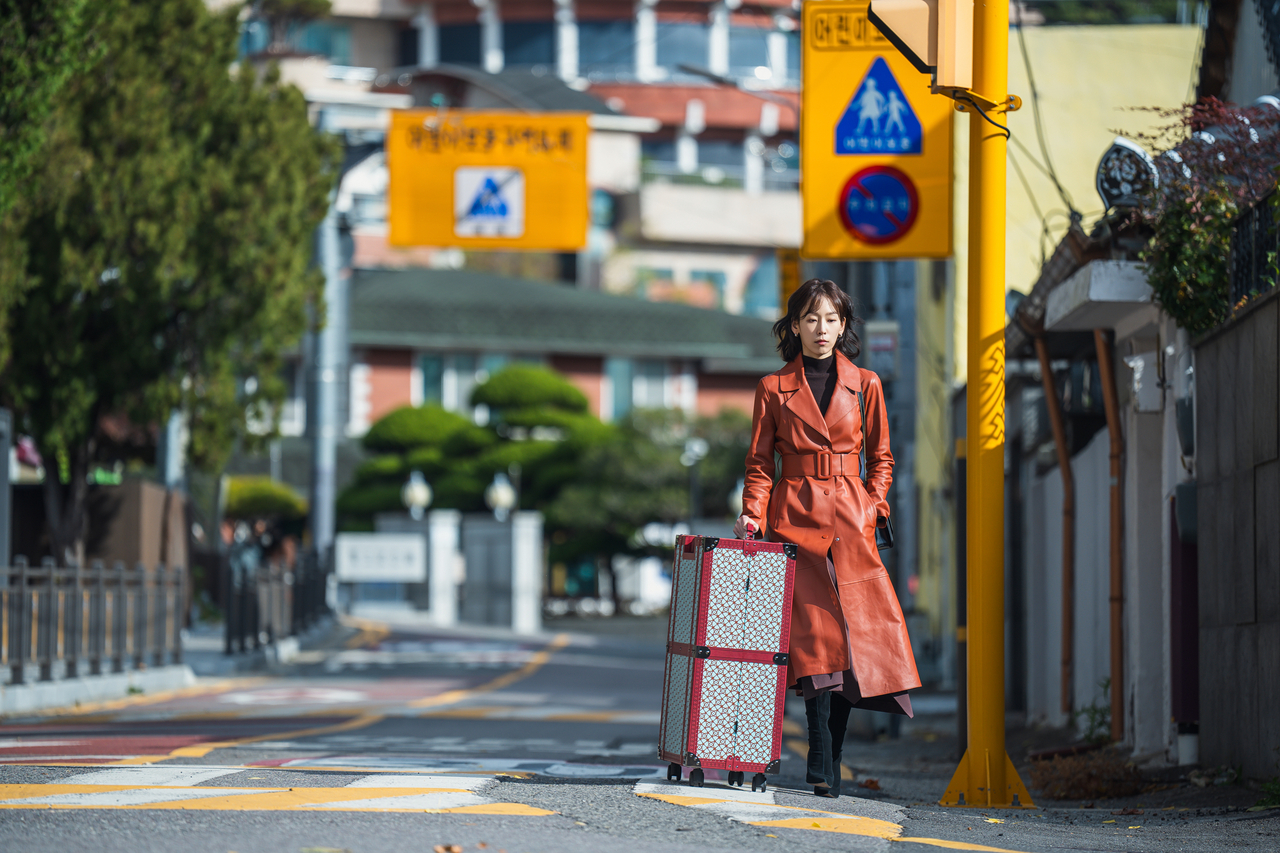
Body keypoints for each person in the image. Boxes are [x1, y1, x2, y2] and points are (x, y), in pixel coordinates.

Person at [733, 279, 920, 798]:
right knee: (817, 638)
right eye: (811, 319)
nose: (822, 330)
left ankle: (831, 754)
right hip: (793, 516)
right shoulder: (773, 388)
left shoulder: (867, 384)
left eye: (832, 319)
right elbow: (758, 463)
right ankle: (819, 751)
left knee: (856, 643)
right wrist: (752, 515)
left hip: (851, 519)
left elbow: (882, 457)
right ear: (795, 325)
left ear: (844, 326)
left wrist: (875, 504)